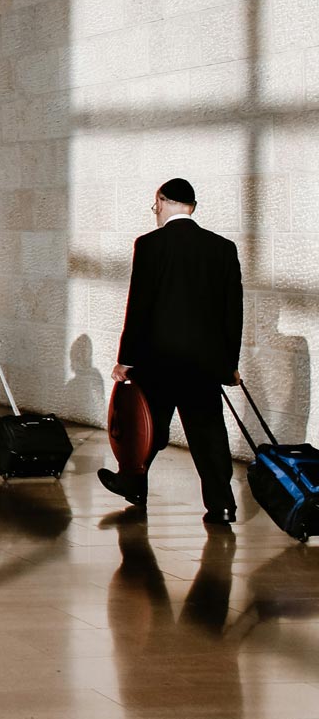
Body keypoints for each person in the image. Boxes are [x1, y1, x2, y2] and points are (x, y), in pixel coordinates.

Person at [101, 178, 244, 524]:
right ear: (191, 207)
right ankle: (222, 505)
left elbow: (139, 306)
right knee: (208, 434)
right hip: (202, 364)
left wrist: (126, 358)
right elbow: (233, 312)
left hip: (158, 360)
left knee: (147, 427)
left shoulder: (150, 245)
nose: (156, 212)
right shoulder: (222, 248)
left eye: (156, 205)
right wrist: (229, 364)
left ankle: (133, 483)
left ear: (163, 201)